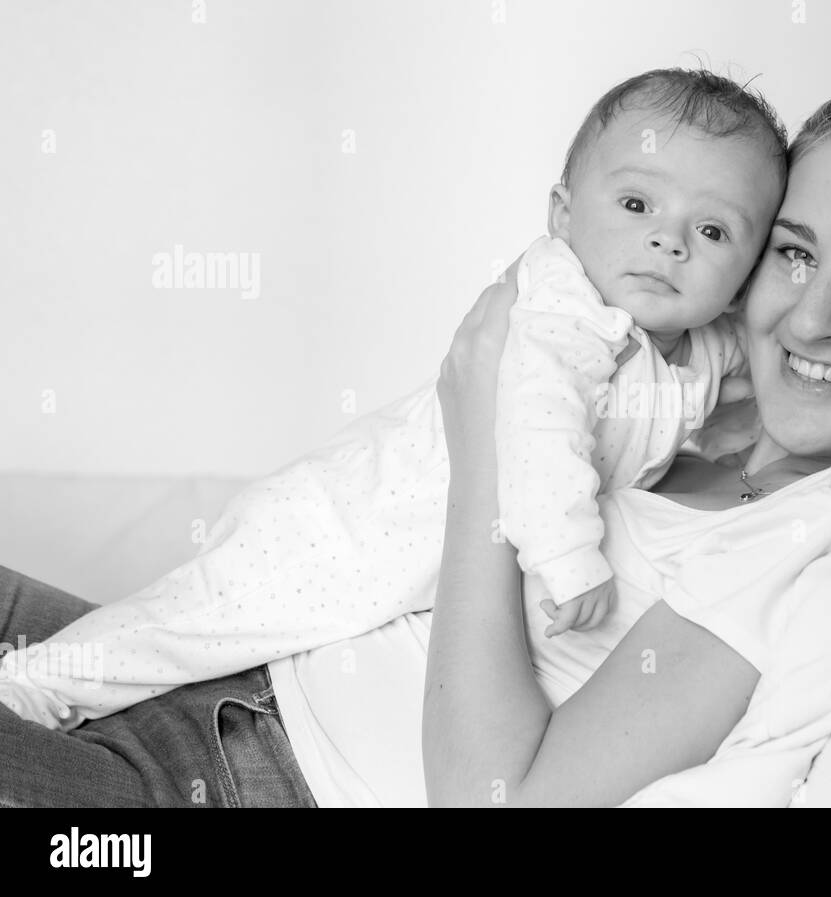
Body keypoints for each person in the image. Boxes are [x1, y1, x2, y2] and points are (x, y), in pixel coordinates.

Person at [0, 75, 831, 807]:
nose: (809, 319)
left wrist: (484, 450)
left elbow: (497, 801)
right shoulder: (742, 428)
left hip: (237, 776)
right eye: (793, 253)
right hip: (232, 672)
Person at [0, 67, 786, 733]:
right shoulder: (566, 307)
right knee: (191, 625)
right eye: (638, 205)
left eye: (713, 231)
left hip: (402, 568)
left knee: (193, 650)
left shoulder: (695, 348)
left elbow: (739, 385)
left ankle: (57, 670)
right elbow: (539, 426)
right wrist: (569, 556)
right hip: (342, 528)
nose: (669, 241)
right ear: (563, 212)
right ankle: (36, 682)